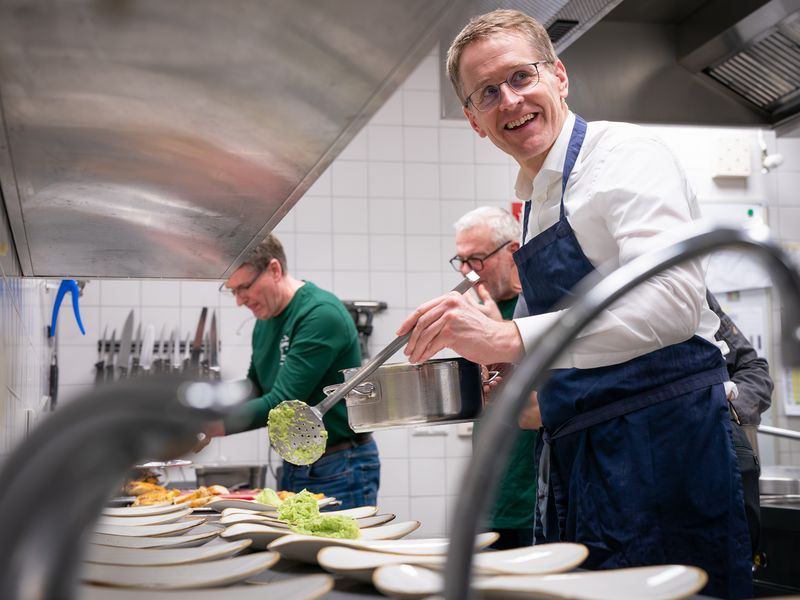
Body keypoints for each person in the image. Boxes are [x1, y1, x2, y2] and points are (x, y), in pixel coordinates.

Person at [397, 9, 751, 597]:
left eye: (521, 76)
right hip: (582, 457)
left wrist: (511, 338)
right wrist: (519, 376)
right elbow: (584, 343)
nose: (510, 100)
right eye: (488, 92)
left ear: (558, 76)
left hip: (664, 450)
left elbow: (671, 303)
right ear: (473, 120)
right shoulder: (536, 201)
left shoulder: (626, 156)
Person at [204, 234, 380, 509]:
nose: (239, 301)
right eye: (233, 291)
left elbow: (282, 403)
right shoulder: (266, 319)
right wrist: (205, 404)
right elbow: (254, 387)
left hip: (340, 466)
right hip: (296, 464)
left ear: (274, 270)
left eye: (244, 288)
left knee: (338, 539)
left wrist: (212, 426)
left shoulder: (319, 315)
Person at [451, 206, 538, 549]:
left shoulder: (539, 307)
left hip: (533, 498)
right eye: (460, 261)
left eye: (476, 259)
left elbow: (549, 392)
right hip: (489, 498)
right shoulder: (475, 314)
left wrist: (499, 333)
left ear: (513, 251)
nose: (467, 271)